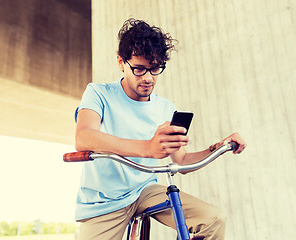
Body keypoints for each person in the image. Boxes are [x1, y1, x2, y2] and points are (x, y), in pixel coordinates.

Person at [74, 18, 246, 240]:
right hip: (105, 199)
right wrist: (148, 148)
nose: (148, 78)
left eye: (155, 68)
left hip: (145, 190)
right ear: (120, 62)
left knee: (213, 219)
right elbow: (84, 137)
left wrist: (218, 148)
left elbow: (181, 162)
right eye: (138, 69)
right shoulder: (98, 93)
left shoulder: (165, 108)